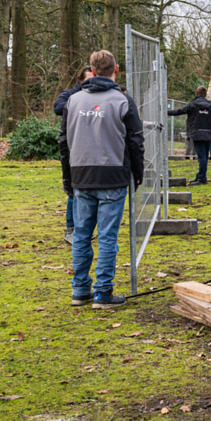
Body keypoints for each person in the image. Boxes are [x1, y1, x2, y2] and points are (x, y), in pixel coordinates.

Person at [59, 50, 144, 309]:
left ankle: (80, 290)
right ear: (115, 69)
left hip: (81, 176)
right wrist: (137, 176)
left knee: (82, 235)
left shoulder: (72, 101)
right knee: (108, 237)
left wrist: (67, 179)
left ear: (92, 71)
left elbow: (63, 143)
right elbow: (136, 142)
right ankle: (102, 292)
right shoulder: (123, 101)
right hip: (113, 177)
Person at [53, 65, 93, 246]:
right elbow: (57, 107)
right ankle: (71, 228)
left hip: (88, 148)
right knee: (73, 190)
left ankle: (83, 228)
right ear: (80, 82)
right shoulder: (69, 96)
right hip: (71, 147)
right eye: (88, 80)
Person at [167, 86, 211, 185]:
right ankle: (201, 176)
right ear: (205, 94)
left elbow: (179, 111)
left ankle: (202, 179)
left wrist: (165, 112)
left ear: (196, 93)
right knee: (205, 157)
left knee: (201, 157)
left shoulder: (193, 105)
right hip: (208, 134)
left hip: (197, 133)